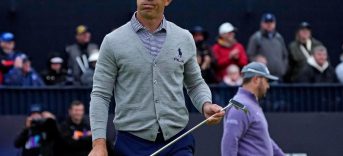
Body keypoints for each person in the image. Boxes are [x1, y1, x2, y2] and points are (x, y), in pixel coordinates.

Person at [89, 0, 225, 155]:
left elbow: (195, 83)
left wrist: (206, 105)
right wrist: (98, 144)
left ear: (167, 1)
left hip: (178, 141)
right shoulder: (112, 41)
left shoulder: (184, 37)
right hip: (131, 145)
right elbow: (100, 94)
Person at [221, 62, 284, 156]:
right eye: (266, 81)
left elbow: (263, 138)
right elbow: (229, 141)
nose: (268, 86)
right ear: (256, 79)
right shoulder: (241, 105)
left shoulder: (250, 104)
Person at [247, 13, 288, 80]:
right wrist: (256, 60)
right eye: (266, 22)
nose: (269, 25)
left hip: (278, 76)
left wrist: (283, 69)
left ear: (274, 23)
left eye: (271, 22)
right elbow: (249, 56)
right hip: (262, 77)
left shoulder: (279, 37)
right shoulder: (256, 38)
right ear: (262, 24)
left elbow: (285, 55)